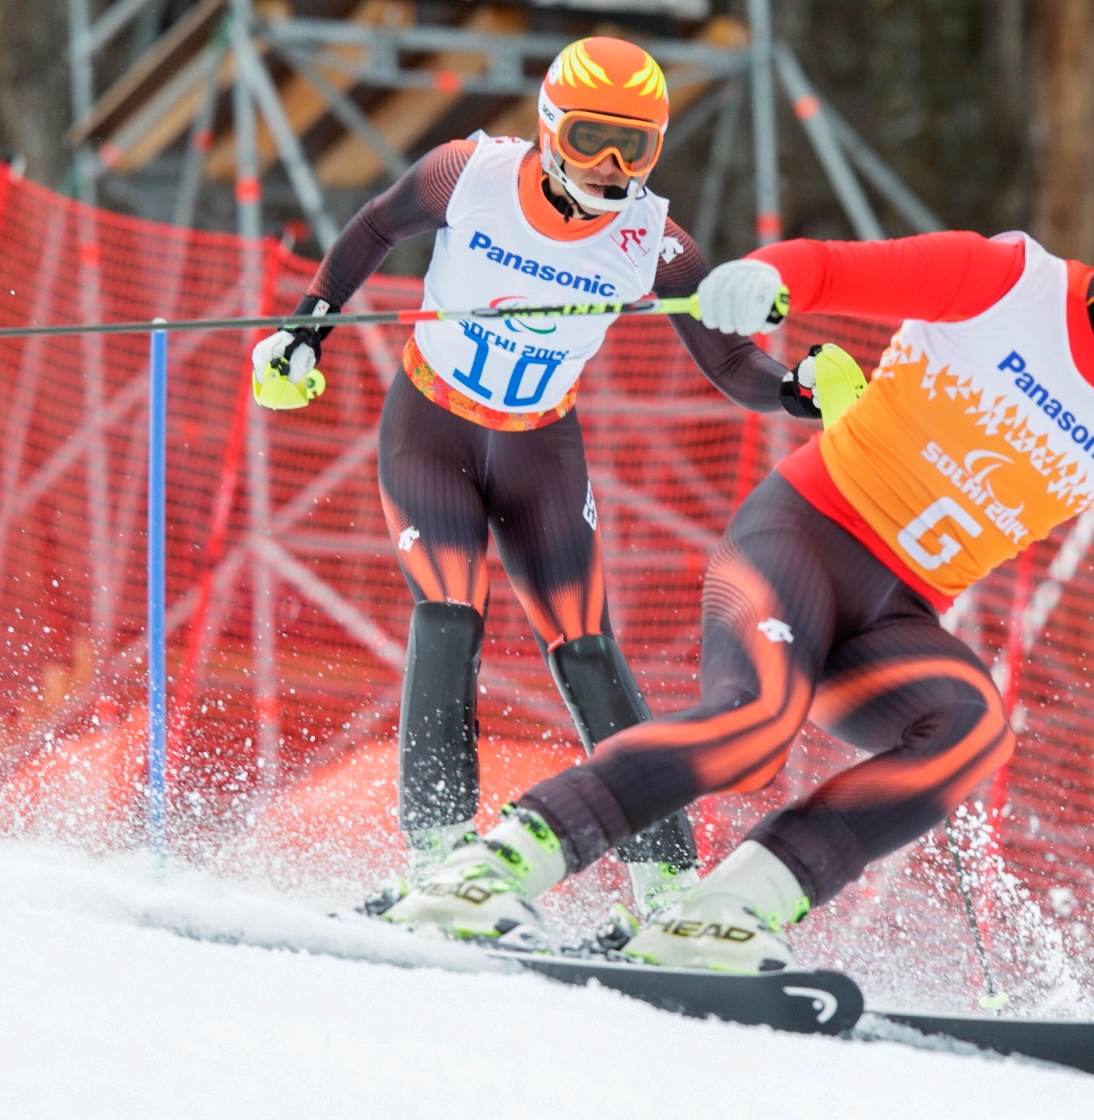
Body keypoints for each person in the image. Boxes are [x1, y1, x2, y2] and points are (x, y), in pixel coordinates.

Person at [380, 142, 1094, 970]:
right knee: (758, 721)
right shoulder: (1011, 282)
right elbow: (838, 268)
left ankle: (722, 912)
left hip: (892, 619)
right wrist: (760, 278)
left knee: (973, 732)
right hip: (799, 539)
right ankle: (486, 871)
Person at [249, 37, 792, 928]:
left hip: (541, 449)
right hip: (433, 429)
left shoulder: (652, 240)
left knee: (586, 649)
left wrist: (801, 392)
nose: (610, 168)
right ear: (547, 126)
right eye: (588, 138)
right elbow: (377, 227)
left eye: (635, 148)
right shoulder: (467, 174)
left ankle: (668, 889)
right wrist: (305, 330)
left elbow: (731, 362)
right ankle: (438, 863)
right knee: (450, 612)